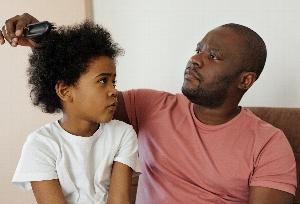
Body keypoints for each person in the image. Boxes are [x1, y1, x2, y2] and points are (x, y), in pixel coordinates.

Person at [1, 13, 297, 204]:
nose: (195, 60)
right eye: (198, 50)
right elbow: (82, 98)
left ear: (245, 80)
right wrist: (46, 44)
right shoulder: (151, 106)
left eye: (213, 56)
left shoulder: (269, 144)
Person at [9, 21, 140, 204]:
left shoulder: (123, 135)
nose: (113, 91)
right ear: (64, 91)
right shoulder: (41, 145)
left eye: (114, 82)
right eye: (103, 81)